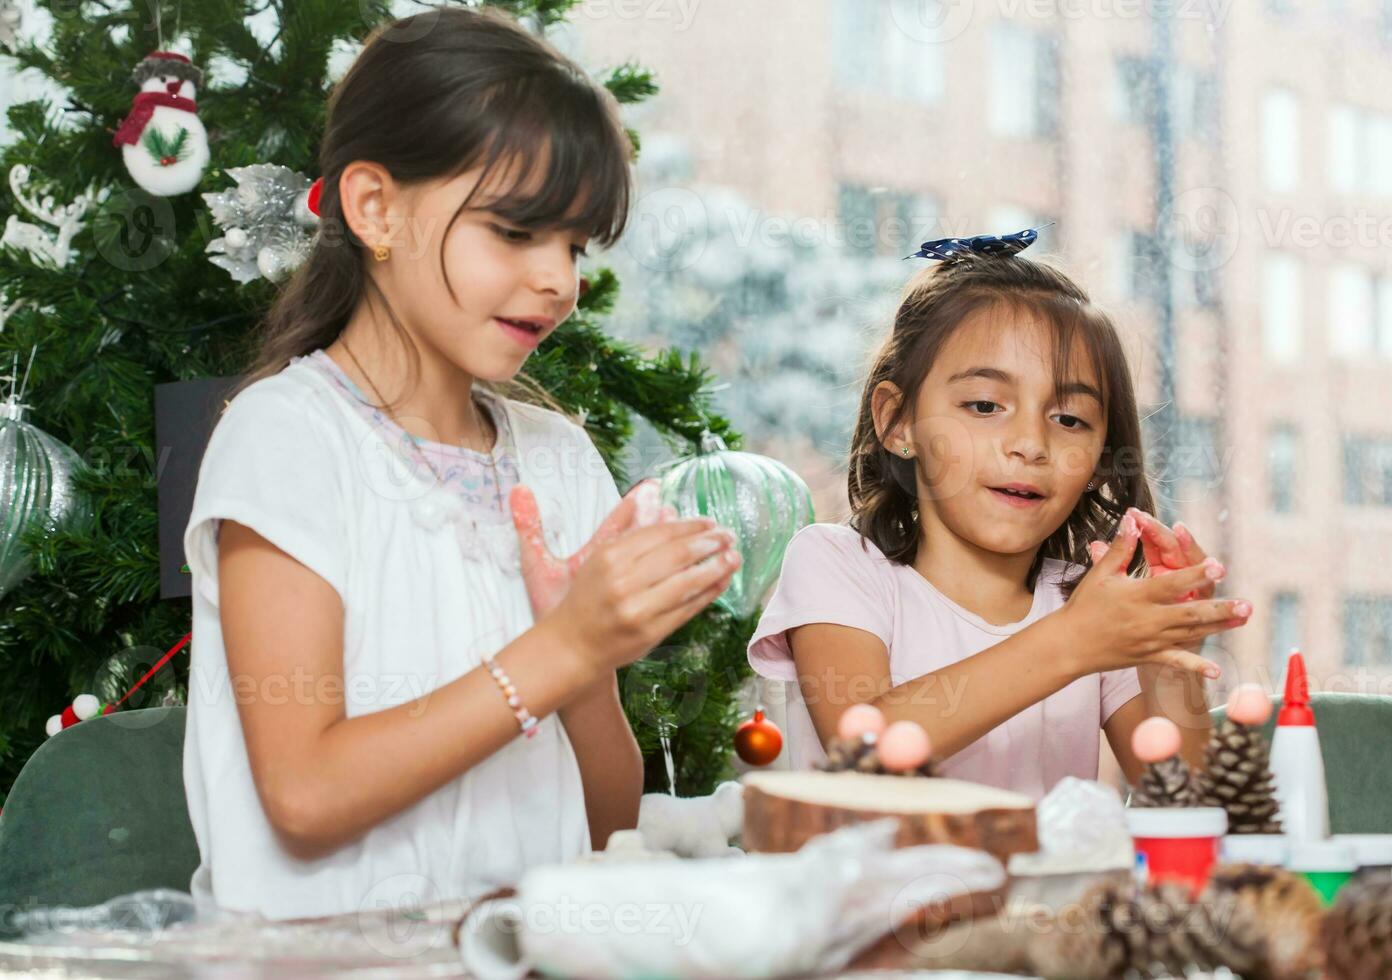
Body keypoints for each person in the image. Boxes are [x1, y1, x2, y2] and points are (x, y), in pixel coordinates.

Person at [182, 6, 740, 919]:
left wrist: (590, 669)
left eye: (575, 244)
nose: (560, 279)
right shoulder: (286, 438)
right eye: (517, 233)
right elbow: (305, 798)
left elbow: (603, 824)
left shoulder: (556, 464)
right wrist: (557, 651)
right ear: (374, 208)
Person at [748, 230, 1251, 799]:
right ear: (897, 422)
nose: (1030, 443)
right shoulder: (839, 566)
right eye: (985, 406)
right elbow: (863, 751)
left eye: (1069, 420)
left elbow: (1185, 808)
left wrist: (1167, 660)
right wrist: (1074, 642)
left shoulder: (1087, 606)